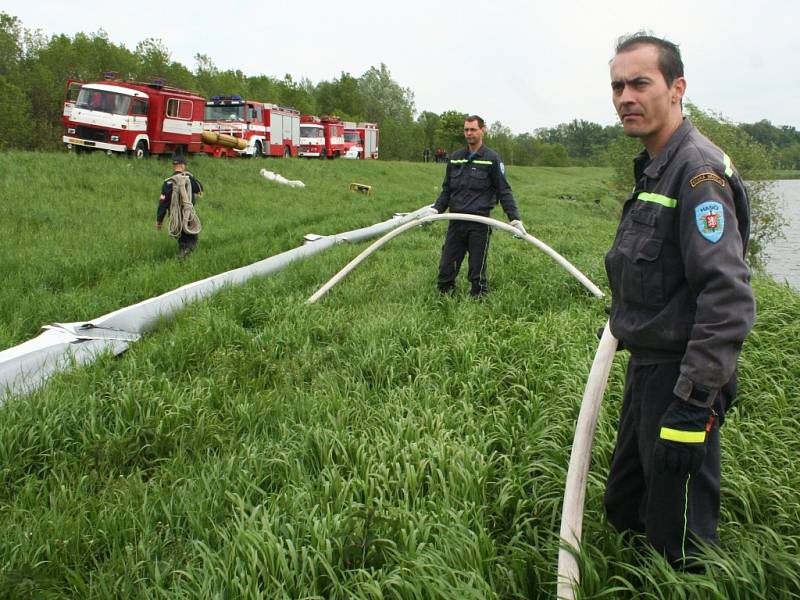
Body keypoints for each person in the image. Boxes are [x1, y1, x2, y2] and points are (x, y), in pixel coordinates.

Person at [602, 32, 755, 569]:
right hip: (646, 369)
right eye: (618, 85)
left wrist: (691, 406)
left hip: (681, 380)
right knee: (625, 508)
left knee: (680, 541)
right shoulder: (654, 165)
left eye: (640, 83)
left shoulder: (697, 173)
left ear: (677, 88)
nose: (626, 97)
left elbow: (727, 297)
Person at [428, 115, 525, 297]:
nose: (469, 133)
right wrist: (435, 210)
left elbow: (504, 191)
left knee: (477, 274)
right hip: (456, 222)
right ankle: (445, 302)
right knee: (445, 271)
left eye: (473, 129)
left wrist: (515, 219)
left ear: (482, 130)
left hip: (479, 223)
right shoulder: (456, 158)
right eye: (466, 130)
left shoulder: (492, 159)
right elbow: (447, 190)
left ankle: (478, 304)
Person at [156, 154, 204, 258]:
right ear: (183, 166)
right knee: (192, 239)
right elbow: (200, 188)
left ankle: (183, 254)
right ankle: (184, 256)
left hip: (175, 217)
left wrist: (159, 221)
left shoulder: (168, 182)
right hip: (188, 215)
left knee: (182, 239)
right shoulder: (188, 179)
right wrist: (191, 176)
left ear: (174, 166)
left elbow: (163, 203)